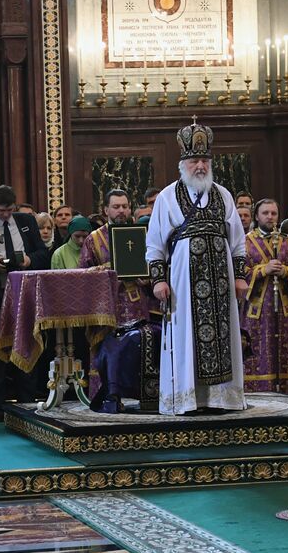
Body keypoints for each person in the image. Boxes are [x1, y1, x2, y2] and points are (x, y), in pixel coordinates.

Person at [145, 120, 248, 415]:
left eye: (204, 160)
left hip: (222, 283)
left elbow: (238, 242)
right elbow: (155, 246)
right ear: (182, 163)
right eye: (194, 160)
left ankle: (221, 399)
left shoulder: (224, 195)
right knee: (185, 336)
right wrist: (158, 281)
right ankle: (186, 399)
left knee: (224, 337)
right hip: (181, 283)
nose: (200, 165)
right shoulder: (166, 197)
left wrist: (240, 277)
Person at [0, 184, 49, 416]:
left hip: (24, 295)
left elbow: (43, 255)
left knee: (26, 345)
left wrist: (28, 260)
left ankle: (28, 404)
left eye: (9, 210)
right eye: (1, 210)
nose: (5, 215)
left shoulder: (27, 222)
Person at [242, 199, 288, 395]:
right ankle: (257, 394)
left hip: (284, 309)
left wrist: (285, 271)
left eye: (273, 213)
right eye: (265, 213)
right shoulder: (245, 242)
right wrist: (263, 269)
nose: (270, 217)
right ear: (257, 216)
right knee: (259, 351)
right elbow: (238, 272)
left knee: (284, 352)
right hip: (257, 311)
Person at [80, 189, 159, 327]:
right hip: (109, 304)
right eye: (116, 207)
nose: (121, 210)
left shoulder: (141, 234)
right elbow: (83, 274)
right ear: (106, 210)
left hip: (139, 303)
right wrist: (106, 269)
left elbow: (155, 264)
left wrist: (148, 278)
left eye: (125, 206)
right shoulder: (94, 239)